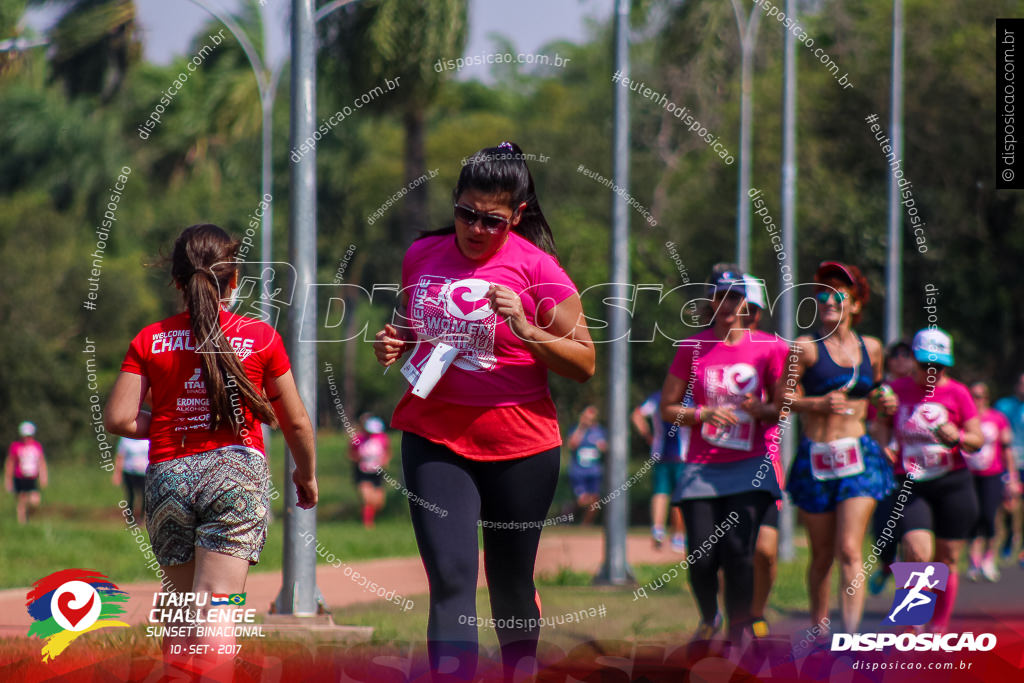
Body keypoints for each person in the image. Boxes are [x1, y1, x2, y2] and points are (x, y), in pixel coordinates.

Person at [372, 142, 595, 681]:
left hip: (521, 448)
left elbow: (584, 362)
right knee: (451, 579)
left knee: (510, 582)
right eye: (466, 213)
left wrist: (528, 329)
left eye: (492, 220)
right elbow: (419, 327)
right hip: (434, 439)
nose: (475, 229)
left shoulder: (538, 269)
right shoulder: (421, 255)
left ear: (516, 215)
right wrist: (397, 340)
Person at [104, 224, 318, 675]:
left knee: (182, 607)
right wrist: (306, 473)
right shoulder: (261, 338)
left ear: (178, 282)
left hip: (169, 477)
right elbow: (296, 419)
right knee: (217, 607)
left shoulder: (151, 338)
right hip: (237, 478)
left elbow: (120, 418)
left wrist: (167, 422)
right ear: (234, 280)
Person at [659, 267, 783, 643]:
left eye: (735, 297)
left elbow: (782, 407)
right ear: (711, 302)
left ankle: (739, 629)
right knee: (701, 557)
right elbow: (666, 408)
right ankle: (710, 617)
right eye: (721, 296)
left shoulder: (771, 347)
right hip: (702, 467)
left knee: (738, 551)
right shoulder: (691, 348)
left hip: (750, 465)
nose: (728, 304)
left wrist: (761, 409)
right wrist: (702, 414)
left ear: (748, 304)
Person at [781, 261, 895, 635]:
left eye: (837, 294)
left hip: (858, 459)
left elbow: (875, 389)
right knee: (822, 556)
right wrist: (816, 404)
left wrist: (885, 400)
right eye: (822, 293)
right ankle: (819, 628)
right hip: (817, 458)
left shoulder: (872, 348)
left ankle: (849, 636)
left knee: (849, 549)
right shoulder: (804, 347)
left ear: (856, 304)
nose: (828, 299)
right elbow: (783, 398)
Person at [877, 327, 983, 633]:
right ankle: (911, 623)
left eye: (939, 367)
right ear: (913, 361)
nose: (932, 372)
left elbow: (976, 439)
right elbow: (880, 423)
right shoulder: (895, 390)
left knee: (947, 557)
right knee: (916, 551)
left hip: (953, 481)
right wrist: (884, 444)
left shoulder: (958, 393)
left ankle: (939, 625)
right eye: (925, 366)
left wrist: (960, 436)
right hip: (912, 483)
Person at [867, 340, 915, 595]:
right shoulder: (880, 391)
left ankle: (912, 604)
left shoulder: (923, 390)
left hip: (915, 474)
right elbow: (870, 425)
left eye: (906, 355)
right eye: (894, 355)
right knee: (883, 530)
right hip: (883, 471)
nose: (900, 359)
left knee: (913, 537)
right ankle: (887, 565)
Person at [965, 382, 1019, 582]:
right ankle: (973, 560)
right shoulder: (964, 418)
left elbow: (1007, 448)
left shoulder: (997, 418)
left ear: (986, 398)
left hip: (992, 474)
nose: (977, 400)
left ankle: (989, 558)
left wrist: (1011, 477)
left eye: (980, 396)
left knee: (989, 516)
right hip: (968, 475)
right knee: (972, 517)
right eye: (973, 396)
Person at [632, 391, 686, 551]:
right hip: (682, 456)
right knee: (679, 497)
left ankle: (658, 530)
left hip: (660, 453)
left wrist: (647, 435)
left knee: (660, 493)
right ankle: (678, 537)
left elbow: (636, 415)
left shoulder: (657, 398)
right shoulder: (688, 398)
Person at [994, 372, 1024, 563]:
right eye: (1021, 383)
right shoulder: (1004, 406)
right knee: (1008, 505)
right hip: (1009, 462)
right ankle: (1008, 537)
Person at [568, 405, 607, 526]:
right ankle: (566, 514)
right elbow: (572, 444)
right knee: (583, 500)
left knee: (595, 500)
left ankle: (585, 525)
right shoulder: (576, 430)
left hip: (595, 471)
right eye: (585, 417)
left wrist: (603, 447)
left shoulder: (600, 431)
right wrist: (581, 427)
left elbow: (606, 448)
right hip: (578, 471)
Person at [350, 415, 391, 528]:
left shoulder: (383, 438)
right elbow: (350, 454)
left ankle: (368, 516)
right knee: (367, 498)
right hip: (363, 473)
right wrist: (358, 458)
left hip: (377, 473)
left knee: (378, 502)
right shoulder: (357, 439)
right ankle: (368, 525)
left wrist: (385, 460)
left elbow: (387, 453)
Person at [4, 421, 48, 524]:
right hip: (20, 477)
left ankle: (29, 515)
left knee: (35, 500)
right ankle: (22, 523)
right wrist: (8, 480)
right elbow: (10, 463)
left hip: (32, 477)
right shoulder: (15, 447)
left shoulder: (37, 446)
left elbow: (41, 462)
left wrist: (43, 476)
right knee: (21, 500)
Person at [113, 436, 150, 520]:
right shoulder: (125, 439)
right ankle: (130, 518)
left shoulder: (146, 439)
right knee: (130, 495)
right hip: (129, 471)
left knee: (145, 495)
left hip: (144, 473)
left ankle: (141, 517)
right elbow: (120, 457)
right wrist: (117, 474)